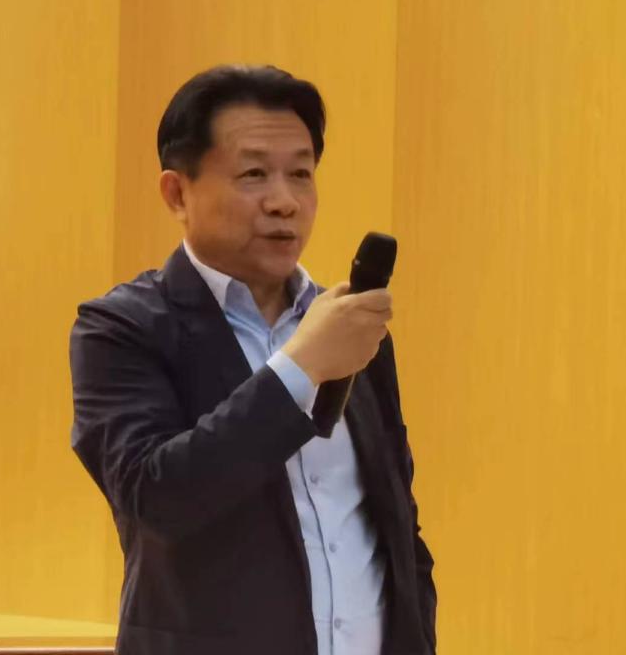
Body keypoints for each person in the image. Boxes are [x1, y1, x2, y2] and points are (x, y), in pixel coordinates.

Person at [69, 65, 436, 655]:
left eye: (301, 174)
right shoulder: (122, 328)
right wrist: (300, 368)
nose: (284, 202)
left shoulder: (352, 328)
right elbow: (157, 500)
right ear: (177, 193)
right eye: (253, 174)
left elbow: (398, 526)